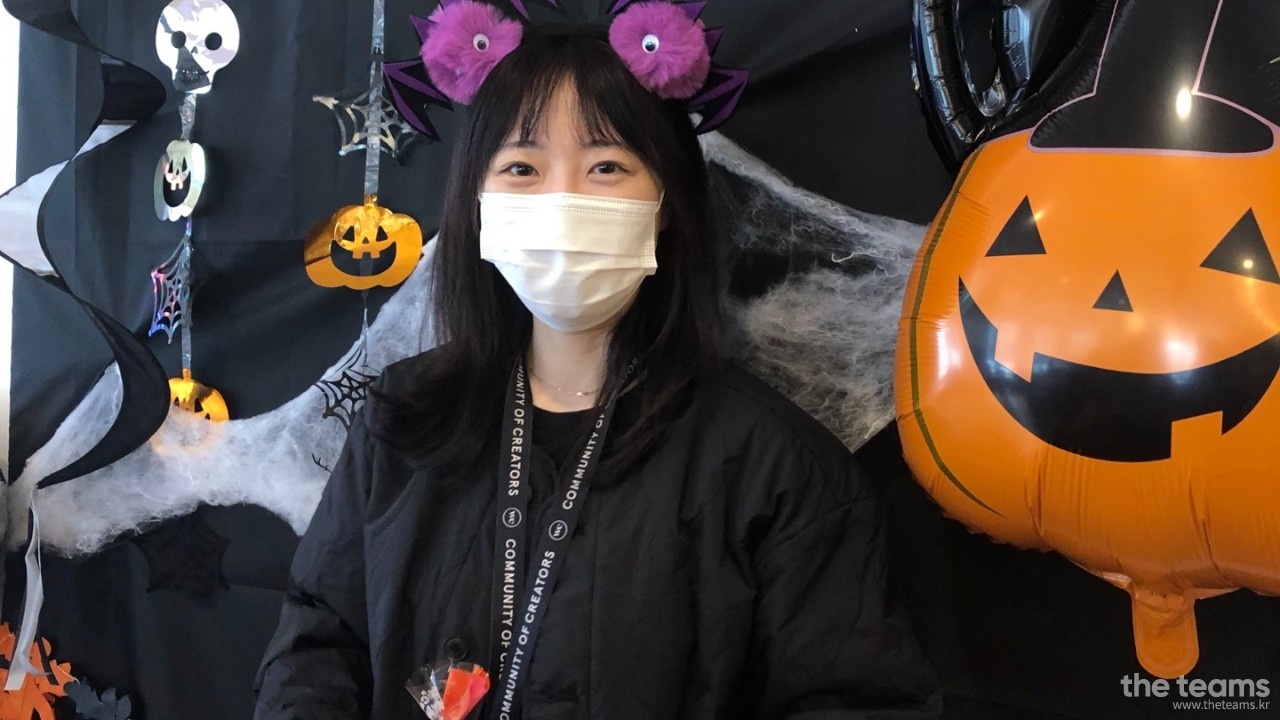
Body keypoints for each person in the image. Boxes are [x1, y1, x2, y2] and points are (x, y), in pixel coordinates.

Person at [254, 12, 940, 720]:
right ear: (477, 202)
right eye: (522, 169)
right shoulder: (403, 420)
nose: (562, 201)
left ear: (666, 201)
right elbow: (319, 643)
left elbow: (856, 700)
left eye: (606, 166)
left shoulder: (774, 465)